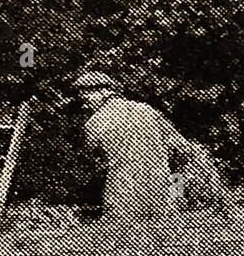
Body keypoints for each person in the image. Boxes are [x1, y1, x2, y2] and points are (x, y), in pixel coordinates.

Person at [74, 70, 228, 221]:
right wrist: (177, 195)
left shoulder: (93, 124)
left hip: (122, 204)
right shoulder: (147, 110)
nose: (84, 104)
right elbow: (183, 151)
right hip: (161, 201)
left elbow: (94, 166)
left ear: (103, 92)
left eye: (85, 97)